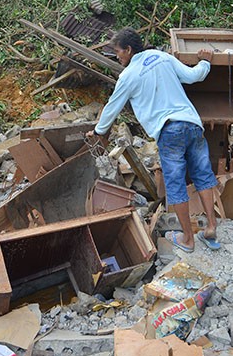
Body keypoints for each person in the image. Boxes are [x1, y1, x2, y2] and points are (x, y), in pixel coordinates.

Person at [85, 27, 221, 252]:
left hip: (169, 131)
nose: (117, 57)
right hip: (192, 124)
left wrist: (99, 132)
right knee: (203, 175)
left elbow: (112, 108)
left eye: (118, 52)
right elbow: (193, 76)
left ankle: (188, 239)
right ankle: (211, 228)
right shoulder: (162, 57)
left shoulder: (128, 76)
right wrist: (205, 62)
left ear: (128, 50)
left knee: (175, 184)